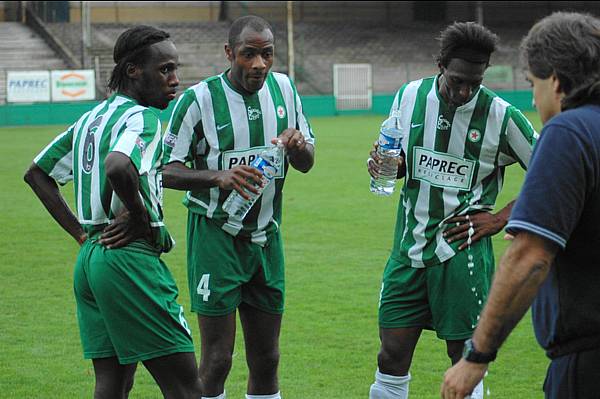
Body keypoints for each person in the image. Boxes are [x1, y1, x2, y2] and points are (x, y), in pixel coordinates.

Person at [23, 26, 202, 399]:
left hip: (91, 258)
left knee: (113, 383)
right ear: (134, 70)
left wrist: (79, 234)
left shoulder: (90, 119)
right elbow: (119, 165)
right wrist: (139, 216)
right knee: (186, 386)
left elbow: (37, 173)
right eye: (165, 70)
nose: (175, 80)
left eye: (175, 69)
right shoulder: (144, 119)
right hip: (129, 259)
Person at [366, 22, 538, 399]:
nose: (464, 91)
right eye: (457, 80)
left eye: (473, 83)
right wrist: (387, 164)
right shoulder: (410, 95)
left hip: (461, 254)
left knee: (462, 359)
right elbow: (398, 157)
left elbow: (553, 174)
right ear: (440, 64)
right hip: (407, 250)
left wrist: (498, 219)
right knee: (390, 355)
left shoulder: (501, 116)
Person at [441, 12, 600, 399]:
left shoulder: (569, 131)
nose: (533, 98)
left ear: (557, 81)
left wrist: (477, 356)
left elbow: (529, 256)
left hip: (587, 359)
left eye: (534, 84)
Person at [161, 15, 315, 399]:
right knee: (217, 359)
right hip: (216, 236)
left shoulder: (284, 90)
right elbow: (163, 169)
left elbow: (308, 160)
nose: (259, 64)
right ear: (230, 53)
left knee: (267, 357)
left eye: (267, 55)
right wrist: (218, 177)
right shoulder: (199, 100)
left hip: (266, 239)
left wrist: (298, 147)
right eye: (249, 54)